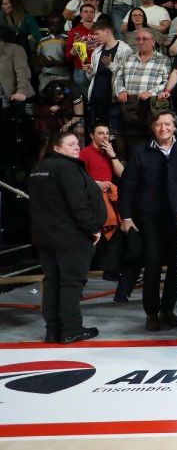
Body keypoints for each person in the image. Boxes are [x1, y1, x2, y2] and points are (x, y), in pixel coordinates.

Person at [29, 132, 106, 343]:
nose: (76, 147)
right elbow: (77, 203)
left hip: (45, 236)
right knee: (71, 283)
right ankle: (71, 329)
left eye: (77, 143)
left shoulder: (39, 168)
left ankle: (53, 330)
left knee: (52, 281)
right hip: (71, 237)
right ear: (57, 148)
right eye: (71, 144)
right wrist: (93, 228)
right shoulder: (67, 168)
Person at [119, 110, 177, 332]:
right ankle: (152, 313)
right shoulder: (139, 151)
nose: (164, 128)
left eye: (168, 124)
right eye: (158, 124)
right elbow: (128, 185)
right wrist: (126, 217)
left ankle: (167, 310)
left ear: (175, 126)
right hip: (149, 218)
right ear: (152, 127)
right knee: (152, 264)